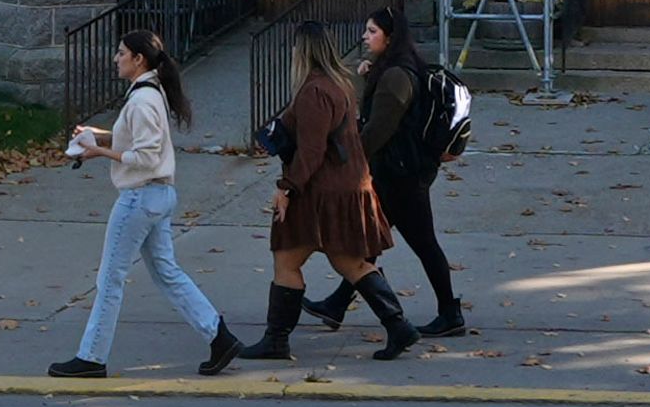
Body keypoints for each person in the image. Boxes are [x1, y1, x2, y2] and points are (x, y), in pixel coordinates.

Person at [48, 26, 238, 380]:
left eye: (121, 53)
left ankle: (91, 357)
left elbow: (146, 156)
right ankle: (219, 336)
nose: (115, 58)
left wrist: (99, 150)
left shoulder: (143, 99)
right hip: (157, 196)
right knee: (167, 272)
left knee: (110, 278)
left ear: (139, 59)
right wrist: (99, 138)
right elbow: (139, 141)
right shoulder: (150, 93)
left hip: (140, 197)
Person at [240, 19, 415, 361]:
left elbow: (312, 151)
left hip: (323, 192)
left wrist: (286, 188)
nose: (291, 52)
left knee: (287, 258)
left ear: (303, 51)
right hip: (348, 186)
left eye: (294, 47)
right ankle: (398, 326)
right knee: (350, 262)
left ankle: (276, 340)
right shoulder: (340, 85)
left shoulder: (315, 91)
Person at [308, 5, 465, 338]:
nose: (365, 37)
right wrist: (370, 74)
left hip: (401, 176)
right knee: (370, 242)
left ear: (390, 37)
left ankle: (450, 314)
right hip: (399, 173)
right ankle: (338, 304)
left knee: (422, 244)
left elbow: (378, 130)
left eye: (372, 31)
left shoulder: (395, 76)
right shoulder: (394, 69)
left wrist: (348, 162)